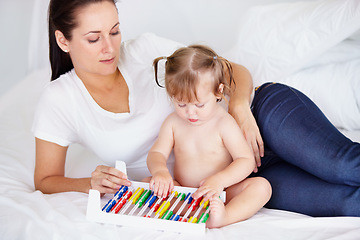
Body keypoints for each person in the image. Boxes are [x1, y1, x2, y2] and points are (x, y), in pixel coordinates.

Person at [33, 0, 360, 218]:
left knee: (345, 168)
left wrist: (241, 109)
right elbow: (46, 179)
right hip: (231, 183)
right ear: (64, 40)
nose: (110, 47)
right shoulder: (60, 100)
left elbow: (234, 72)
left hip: (260, 120)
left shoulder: (146, 50)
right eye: (94, 39)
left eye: (115, 31)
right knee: (345, 202)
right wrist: (89, 183)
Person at [146, 45, 272, 228]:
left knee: (262, 187)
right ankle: (186, 210)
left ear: (218, 91)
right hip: (184, 193)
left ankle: (224, 217)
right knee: (147, 183)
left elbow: (245, 160)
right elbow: (157, 153)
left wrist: (220, 181)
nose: (191, 113)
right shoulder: (172, 123)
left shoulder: (224, 123)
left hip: (222, 193)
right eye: (181, 105)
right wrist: (160, 172)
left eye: (199, 105)